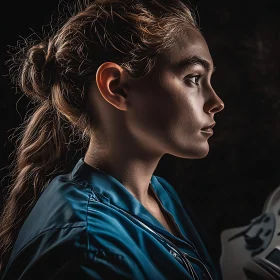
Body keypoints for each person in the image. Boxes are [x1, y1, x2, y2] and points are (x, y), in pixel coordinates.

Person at [0, 0, 224, 278]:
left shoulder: (159, 194)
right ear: (116, 87)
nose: (216, 102)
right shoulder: (88, 247)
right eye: (193, 78)